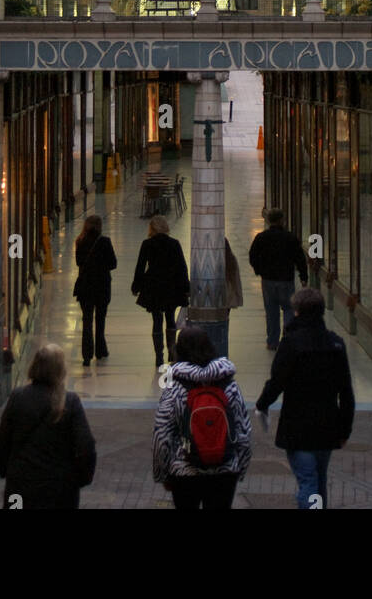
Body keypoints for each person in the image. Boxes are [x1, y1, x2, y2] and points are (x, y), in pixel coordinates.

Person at [255, 287, 354, 509]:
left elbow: (277, 381)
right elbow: (346, 391)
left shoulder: (291, 344)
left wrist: (262, 405)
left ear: (297, 311)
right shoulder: (335, 344)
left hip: (297, 425)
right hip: (327, 425)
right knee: (319, 479)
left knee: (308, 481)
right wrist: (345, 429)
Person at [152, 326, 251, 510]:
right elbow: (243, 430)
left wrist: (162, 474)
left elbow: (162, 434)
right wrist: (240, 466)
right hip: (225, 469)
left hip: (184, 469)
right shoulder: (229, 385)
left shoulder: (174, 387)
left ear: (178, 350)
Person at [0, 344, 96, 510]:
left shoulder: (18, 397)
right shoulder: (69, 402)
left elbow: (1, 441)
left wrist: (8, 470)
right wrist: (80, 479)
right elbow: (86, 447)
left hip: (20, 486)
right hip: (59, 489)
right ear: (61, 369)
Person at [131, 214, 190, 367]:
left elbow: (140, 267)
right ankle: (172, 350)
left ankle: (159, 355)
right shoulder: (174, 243)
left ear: (152, 228)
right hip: (172, 286)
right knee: (170, 318)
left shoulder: (147, 244)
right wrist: (186, 288)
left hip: (154, 286)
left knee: (157, 320)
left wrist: (136, 286)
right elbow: (182, 267)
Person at [248, 208, 308, 349]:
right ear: (282, 220)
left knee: (271, 311)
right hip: (286, 279)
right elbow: (300, 258)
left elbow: (252, 256)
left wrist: (259, 270)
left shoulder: (261, 238)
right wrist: (303, 277)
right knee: (288, 309)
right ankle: (288, 339)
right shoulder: (290, 238)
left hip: (268, 280)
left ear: (268, 220)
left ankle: (272, 341)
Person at [73, 214, 117, 366]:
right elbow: (113, 264)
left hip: (85, 286)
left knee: (87, 321)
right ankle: (100, 350)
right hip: (102, 286)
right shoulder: (105, 242)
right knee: (100, 319)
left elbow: (78, 262)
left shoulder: (80, 241)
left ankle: (86, 355)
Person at [224, 237, 243, 313]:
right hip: (229, 297)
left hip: (216, 299)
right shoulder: (232, 259)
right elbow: (237, 280)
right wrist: (238, 297)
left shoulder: (215, 260)